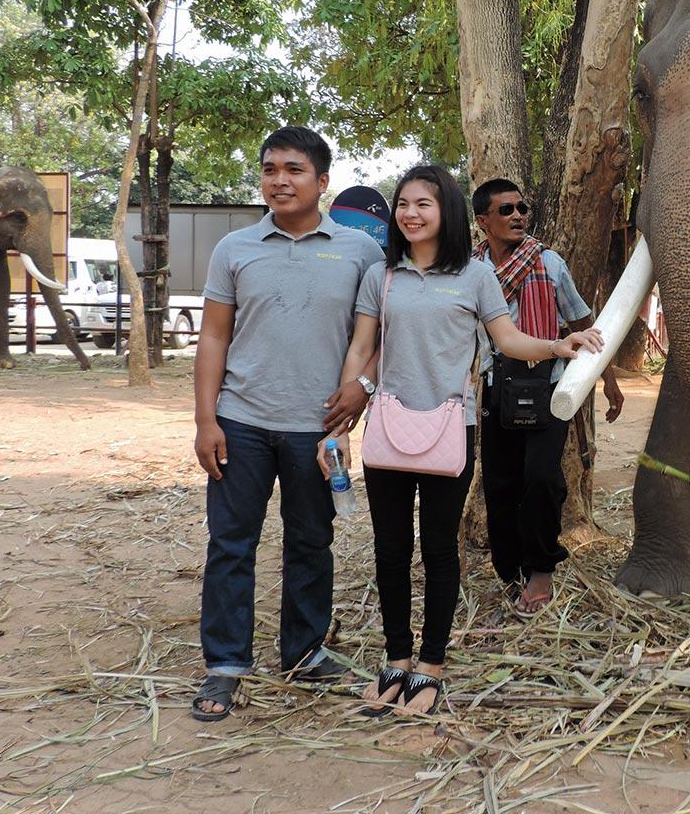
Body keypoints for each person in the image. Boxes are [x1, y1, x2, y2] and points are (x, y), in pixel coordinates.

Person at [322, 164, 602, 716]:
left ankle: (431, 663)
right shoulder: (383, 275)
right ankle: (396, 659)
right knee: (390, 549)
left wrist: (557, 346)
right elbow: (361, 349)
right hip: (388, 428)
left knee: (438, 548)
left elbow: (509, 339)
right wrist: (340, 421)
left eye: (423, 204)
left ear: (446, 211)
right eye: (403, 204)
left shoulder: (475, 276)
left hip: (450, 428)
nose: (410, 214)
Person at [191, 126, 384, 721]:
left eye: (294, 170)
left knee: (311, 541)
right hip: (241, 421)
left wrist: (362, 390)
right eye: (270, 169)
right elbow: (214, 337)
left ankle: (304, 654)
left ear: (322, 181)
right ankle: (226, 664)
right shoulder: (235, 249)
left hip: (318, 429)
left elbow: (379, 336)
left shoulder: (361, 251)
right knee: (230, 544)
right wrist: (205, 421)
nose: (280, 180)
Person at [471, 179, 623, 617]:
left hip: (548, 388)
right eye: (506, 210)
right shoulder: (471, 270)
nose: (518, 216)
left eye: (522, 208)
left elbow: (583, 323)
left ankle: (541, 569)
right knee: (500, 483)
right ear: (483, 222)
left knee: (542, 478)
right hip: (495, 388)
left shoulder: (548, 263)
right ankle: (508, 569)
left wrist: (609, 380)